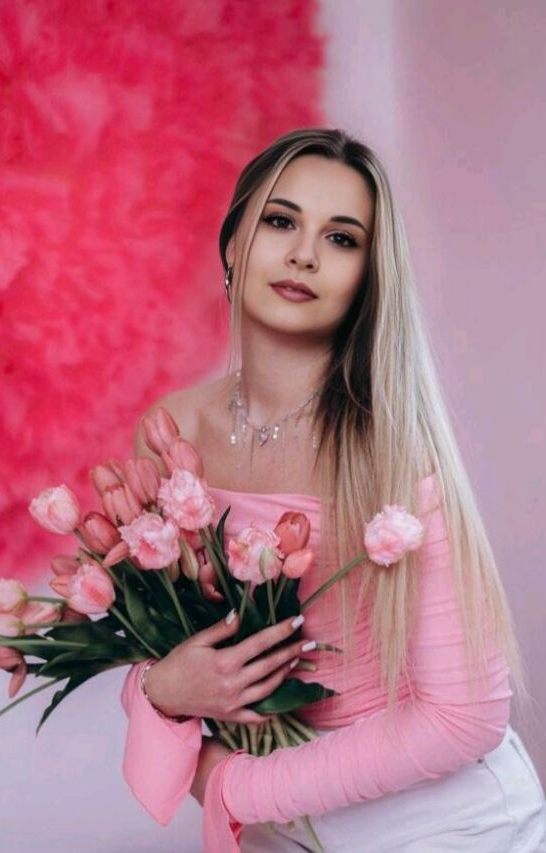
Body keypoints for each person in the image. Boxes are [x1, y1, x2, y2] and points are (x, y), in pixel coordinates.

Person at [120, 128, 546, 851]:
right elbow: (152, 632)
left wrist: (237, 788)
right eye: (280, 221)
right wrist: (159, 692)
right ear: (233, 243)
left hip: (452, 826)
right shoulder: (174, 431)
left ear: (367, 278)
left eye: (342, 239)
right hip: (283, 828)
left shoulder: (392, 447)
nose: (305, 255)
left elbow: (465, 717)